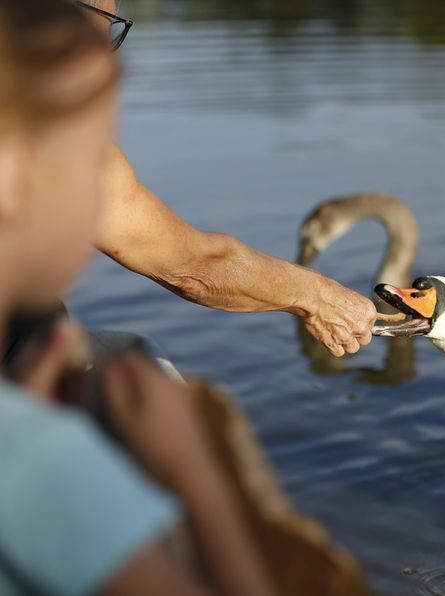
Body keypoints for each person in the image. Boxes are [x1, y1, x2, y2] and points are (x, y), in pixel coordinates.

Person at [0, 1, 277, 593]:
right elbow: (196, 268)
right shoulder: (29, 462)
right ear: (12, 174)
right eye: (92, 157)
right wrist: (193, 476)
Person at [35, 0, 378, 359]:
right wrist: (315, 297)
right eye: (105, 31)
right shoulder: (52, 139)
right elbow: (192, 267)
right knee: (145, 374)